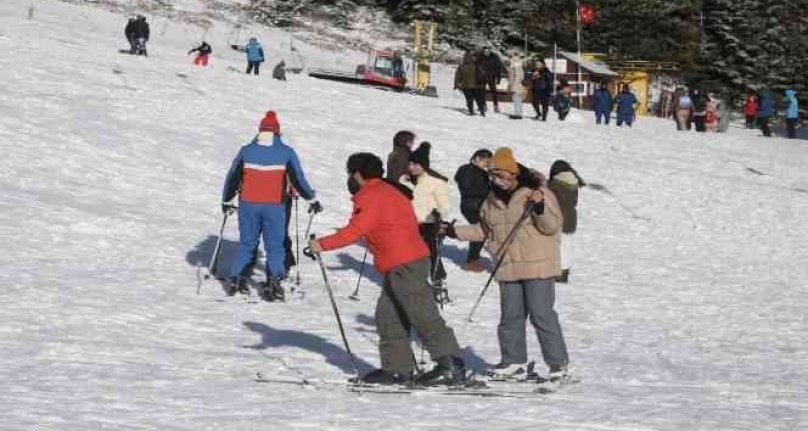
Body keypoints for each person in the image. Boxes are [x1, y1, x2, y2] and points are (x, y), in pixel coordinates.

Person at [309, 153, 466, 386]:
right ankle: (396, 369)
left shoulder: (372, 195)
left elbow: (356, 230)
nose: (350, 178)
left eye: (350, 173)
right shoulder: (386, 190)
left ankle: (450, 365)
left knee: (422, 314)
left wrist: (321, 244)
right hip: (401, 262)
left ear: (358, 174)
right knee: (388, 316)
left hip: (405, 263)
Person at [442, 147, 569, 381]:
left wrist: (539, 208)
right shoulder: (490, 201)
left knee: (542, 315)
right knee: (510, 316)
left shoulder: (536, 192)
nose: (497, 180)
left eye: (500, 174)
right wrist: (452, 231)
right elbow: (485, 231)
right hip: (507, 265)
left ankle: (558, 365)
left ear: (513, 172)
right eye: (492, 175)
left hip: (537, 264)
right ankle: (513, 361)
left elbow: (552, 226)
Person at [221, 111, 321, 301]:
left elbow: (232, 177)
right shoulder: (286, 152)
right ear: (277, 132)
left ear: (260, 131)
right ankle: (274, 282)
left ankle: (236, 279)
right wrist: (312, 199)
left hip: (248, 204)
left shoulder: (246, 151)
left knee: (246, 244)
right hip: (274, 206)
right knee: (275, 246)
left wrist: (226, 201)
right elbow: (298, 180)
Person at [402, 142, 450, 301]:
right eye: (411, 163)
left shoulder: (434, 182)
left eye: (416, 164)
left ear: (424, 165)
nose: (412, 166)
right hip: (409, 223)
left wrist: (436, 215)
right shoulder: (406, 180)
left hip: (429, 224)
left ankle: (438, 282)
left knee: (431, 252)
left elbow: (444, 205)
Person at [453, 149, 492, 272]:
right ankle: (471, 261)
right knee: (480, 231)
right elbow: (467, 190)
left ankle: (473, 259)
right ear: (476, 158)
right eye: (485, 162)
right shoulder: (467, 171)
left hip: (476, 206)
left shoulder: (481, 172)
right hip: (471, 207)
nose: (486, 166)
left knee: (482, 231)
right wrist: (488, 191)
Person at [547, 160, 585, 284]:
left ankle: (558, 272)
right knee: (566, 245)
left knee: (557, 245)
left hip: (558, 217)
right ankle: (564, 271)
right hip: (571, 218)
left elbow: (549, 199)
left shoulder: (555, 183)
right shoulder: (573, 181)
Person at [454, 52, 486, 116]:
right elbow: (483, 73)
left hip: (465, 85)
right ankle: (482, 111)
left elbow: (457, 76)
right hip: (476, 85)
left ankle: (471, 111)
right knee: (478, 98)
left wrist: (456, 84)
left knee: (469, 99)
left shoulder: (461, 66)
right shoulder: (476, 65)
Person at [480, 47, 504, 113]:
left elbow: (499, 67)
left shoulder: (495, 57)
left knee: (494, 92)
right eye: (485, 51)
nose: (486, 52)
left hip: (492, 77)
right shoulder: (481, 57)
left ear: (490, 51)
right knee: (482, 91)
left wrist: (498, 78)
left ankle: (496, 106)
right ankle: (483, 105)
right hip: (483, 77)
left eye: (487, 51)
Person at [506, 54, 526, 119]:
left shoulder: (517, 66)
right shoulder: (514, 67)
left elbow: (517, 76)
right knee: (516, 99)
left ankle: (518, 113)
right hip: (516, 85)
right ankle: (518, 113)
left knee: (517, 98)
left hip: (518, 85)